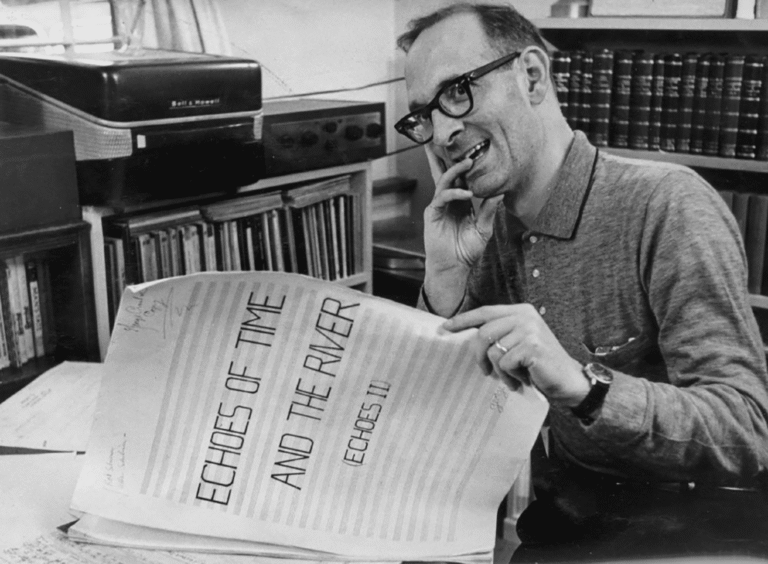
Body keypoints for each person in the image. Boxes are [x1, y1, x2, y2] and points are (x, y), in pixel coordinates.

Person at [395, 2, 768, 558]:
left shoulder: (668, 204)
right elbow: (435, 423)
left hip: (692, 533)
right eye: (424, 114)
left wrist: (583, 386)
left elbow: (746, 429)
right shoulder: (480, 226)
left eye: (457, 92)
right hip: (563, 531)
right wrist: (445, 277)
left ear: (532, 76)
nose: (444, 132)